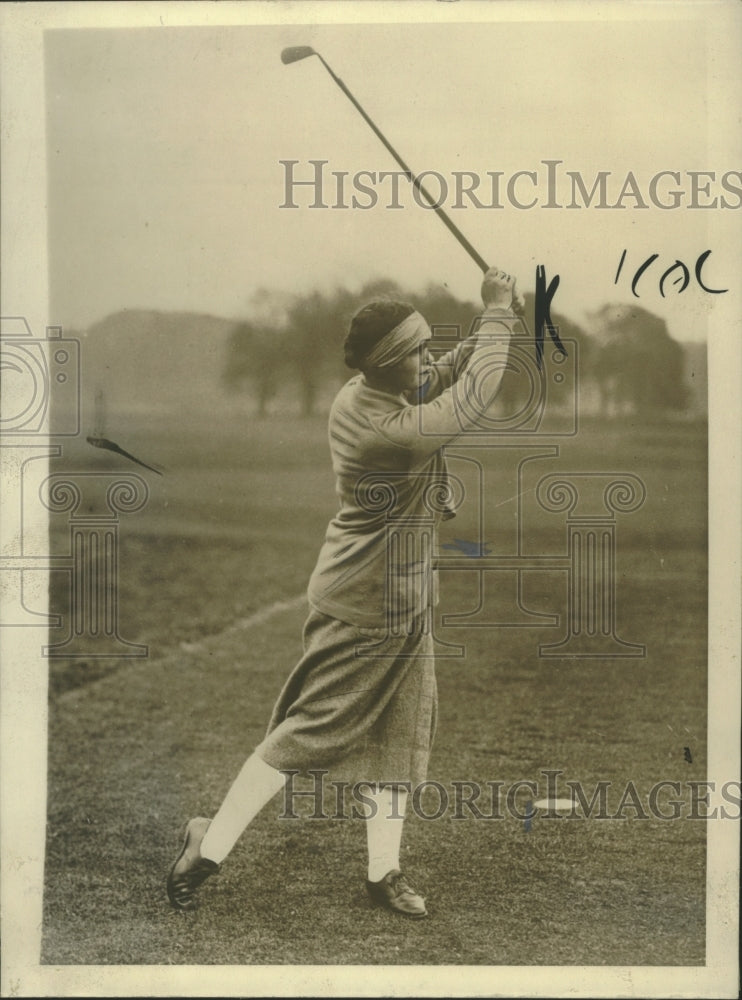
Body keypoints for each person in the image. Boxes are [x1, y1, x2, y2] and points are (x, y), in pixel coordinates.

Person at [167, 266, 523, 918]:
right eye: (413, 351)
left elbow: (442, 376)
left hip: (406, 598)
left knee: (400, 734)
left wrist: (491, 326)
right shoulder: (386, 431)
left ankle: (382, 871)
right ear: (386, 365)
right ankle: (206, 845)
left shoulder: (372, 392)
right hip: (364, 605)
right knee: (309, 732)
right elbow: (467, 401)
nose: (424, 358)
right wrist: (497, 317)